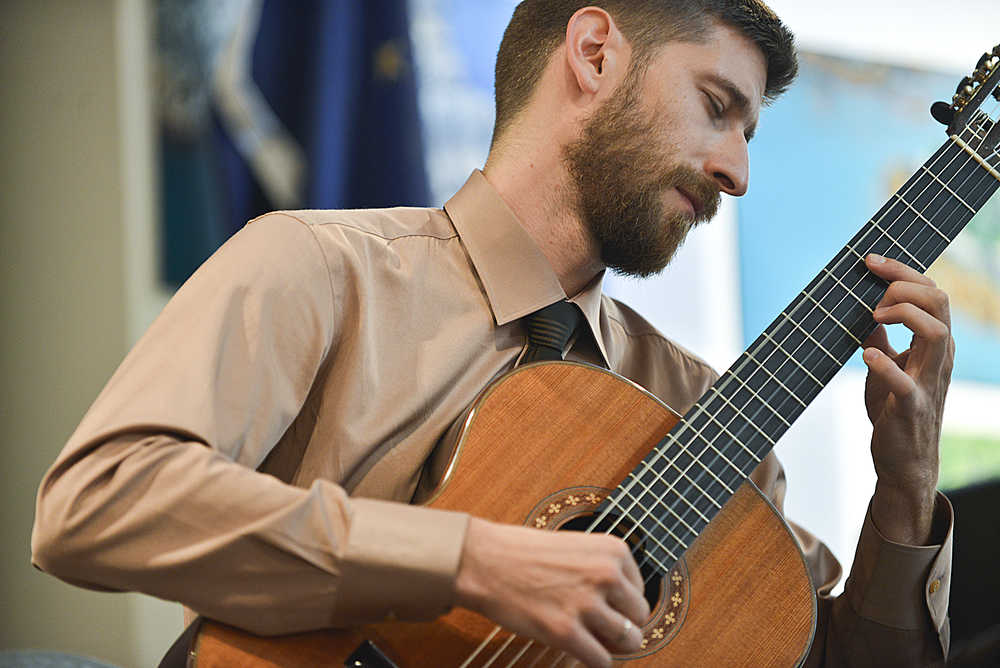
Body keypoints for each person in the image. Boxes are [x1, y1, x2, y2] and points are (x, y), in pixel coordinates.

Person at [32, 1, 954, 666]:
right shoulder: (315, 268)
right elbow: (94, 503)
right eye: (717, 106)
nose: (736, 171)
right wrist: (472, 562)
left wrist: (909, 484)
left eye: (748, 133)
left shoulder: (706, 411)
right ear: (594, 52)